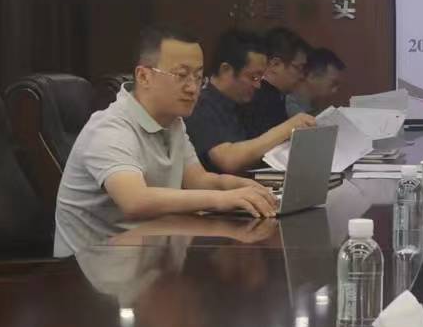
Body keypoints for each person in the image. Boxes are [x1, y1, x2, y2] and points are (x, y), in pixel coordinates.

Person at [53, 24, 279, 256]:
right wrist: (223, 199)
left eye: (198, 77)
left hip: (147, 256)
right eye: (181, 75)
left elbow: (199, 180)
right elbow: (135, 201)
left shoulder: (173, 122)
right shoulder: (109, 127)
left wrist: (247, 189)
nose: (193, 88)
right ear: (144, 76)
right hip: (90, 267)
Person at [186, 28, 316, 173]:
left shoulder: (243, 103)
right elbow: (228, 159)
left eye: (260, 78)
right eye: (253, 77)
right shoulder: (200, 105)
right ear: (226, 70)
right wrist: (287, 128)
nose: (258, 85)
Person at [243, 26, 310, 135]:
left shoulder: (275, 95)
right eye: (298, 68)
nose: (302, 76)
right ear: (275, 64)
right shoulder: (259, 99)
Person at [287, 47, 346, 117]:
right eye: (333, 84)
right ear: (311, 76)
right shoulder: (287, 107)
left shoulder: (314, 107)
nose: (335, 90)